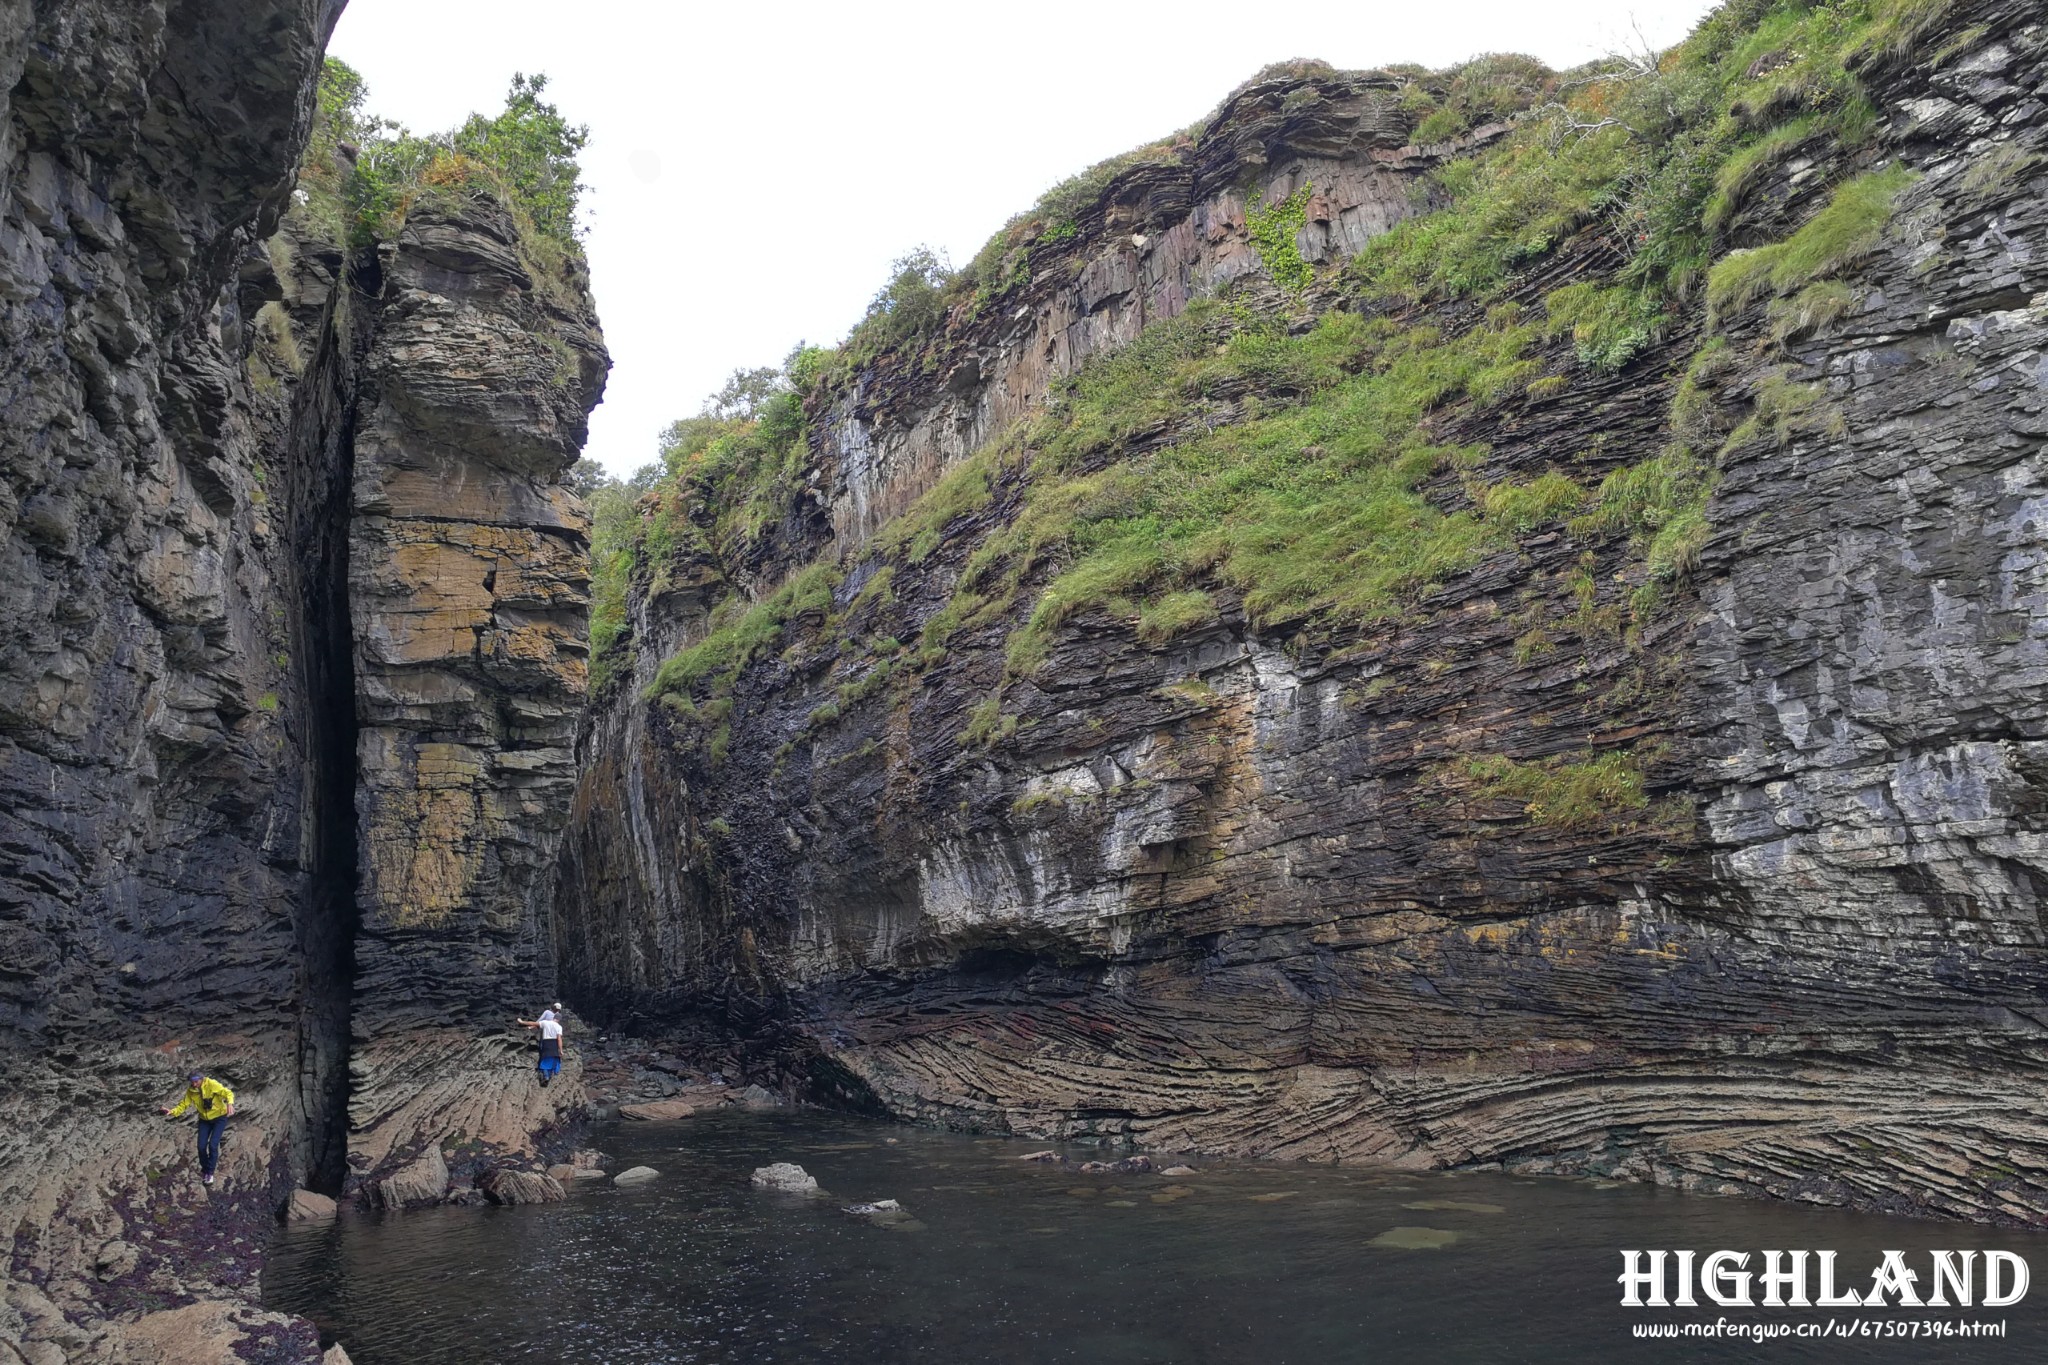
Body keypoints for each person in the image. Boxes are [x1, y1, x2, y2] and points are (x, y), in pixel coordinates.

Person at [160, 1071, 235, 1185]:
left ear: (202, 1079)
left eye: (196, 1081)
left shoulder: (211, 1084)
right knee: (201, 1147)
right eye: (192, 1082)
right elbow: (183, 1105)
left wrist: (229, 1103)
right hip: (204, 1120)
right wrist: (171, 1112)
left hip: (219, 1118)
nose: (194, 1084)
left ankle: (210, 1173)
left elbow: (227, 1092)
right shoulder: (191, 1091)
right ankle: (205, 1171)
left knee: (213, 1145)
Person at [516, 1005, 566, 1087]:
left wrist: (522, 1022)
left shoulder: (545, 1023)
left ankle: (545, 1076)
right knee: (552, 1061)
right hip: (554, 1044)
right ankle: (548, 1077)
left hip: (546, 1043)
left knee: (544, 1060)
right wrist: (560, 1050)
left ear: (554, 1017)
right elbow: (559, 1039)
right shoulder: (559, 1027)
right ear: (559, 1020)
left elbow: (532, 1023)